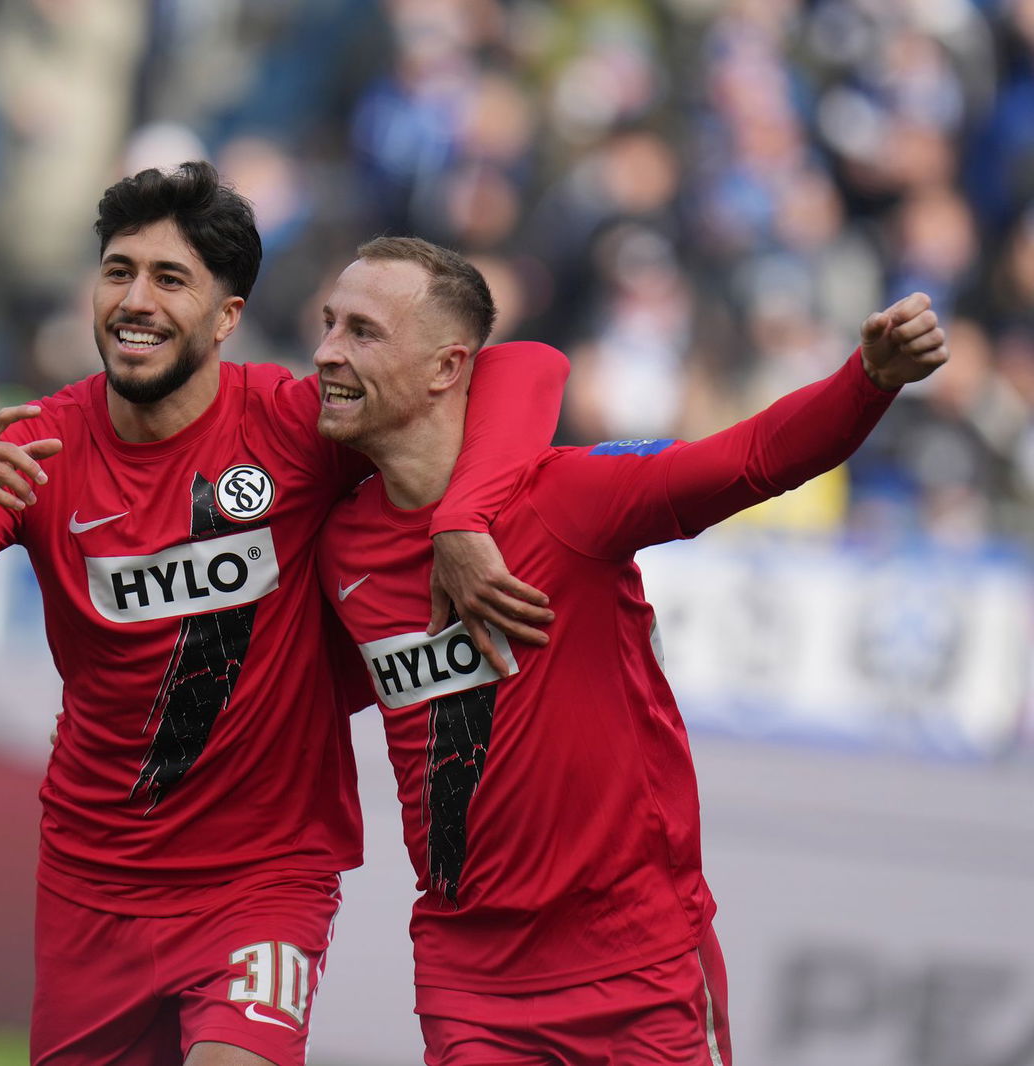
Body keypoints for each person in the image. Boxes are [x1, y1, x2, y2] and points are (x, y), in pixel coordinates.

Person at [0, 161, 563, 1066]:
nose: (135, 299)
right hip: (93, 877)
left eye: (170, 279)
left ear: (226, 316)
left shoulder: (296, 427)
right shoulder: (40, 447)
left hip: (263, 878)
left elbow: (526, 368)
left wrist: (462, 518)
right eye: (117, 271)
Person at [313, 235, 949, 1066]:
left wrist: (867, 382)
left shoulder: (573, 501)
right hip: (469, 979)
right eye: (328, 323)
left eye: (362, 331)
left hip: (637, 967)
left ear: (444, 369)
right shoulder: (341, 549)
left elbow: (753, 459)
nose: (325, 350)